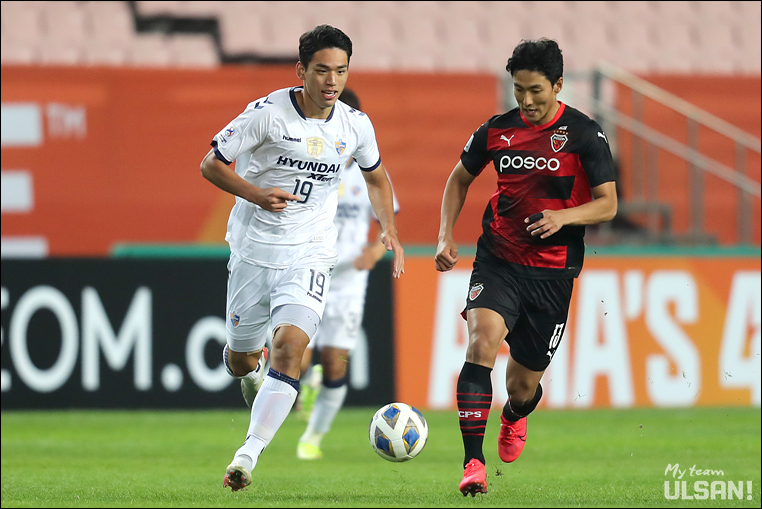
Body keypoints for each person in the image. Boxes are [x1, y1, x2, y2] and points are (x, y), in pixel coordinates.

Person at [199, 25, 404, 492]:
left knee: (291, 349)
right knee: (241, 359)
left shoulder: (355, 125)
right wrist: (256, 194)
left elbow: (375, 176)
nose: (332, 81)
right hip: (254, 252)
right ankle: (251, 374)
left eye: (341, 71)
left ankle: (247, 456)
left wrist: (389, 227)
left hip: (310, 252)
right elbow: (211, 164)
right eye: (322, 70)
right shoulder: (266, 115)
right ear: (301, 70)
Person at [434, 38, 617, 497]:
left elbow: (608, 204)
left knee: (520, 387)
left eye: (536, 90)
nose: (527, 100)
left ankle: (514, 416)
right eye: (519, 90)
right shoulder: (497, 130)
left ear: (558, 84)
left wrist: (564, 217)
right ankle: (473, 463)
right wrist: (445, 234)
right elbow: (459, 178)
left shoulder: (584, 134)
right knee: (481, 343)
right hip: (499, 260)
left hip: (553, 274)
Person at [294, 88, 400, 460]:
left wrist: (376, 251)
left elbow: (388, 222)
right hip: (311, 271)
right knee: (296, 358)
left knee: (336, 365)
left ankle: (312, 438)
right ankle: (306, 381)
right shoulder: (311, 164)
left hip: (350, 282)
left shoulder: (369, 174)